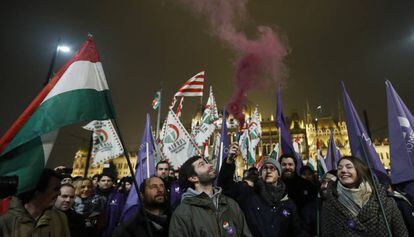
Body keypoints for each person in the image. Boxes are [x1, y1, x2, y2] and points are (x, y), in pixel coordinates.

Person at [218, 143, 307, 237]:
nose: (268, 171)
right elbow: (225, 186)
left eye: (272, 168)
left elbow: (297, 231)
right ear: (261, 174)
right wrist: (229, 161)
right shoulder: (249, 195)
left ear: (279, 174)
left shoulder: (288, 203)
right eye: (265, 168)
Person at [321, 156, 408, 236]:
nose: (343, 170)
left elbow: (401, 233)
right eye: (339, 168)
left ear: (359, 171)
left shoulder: (384, 200)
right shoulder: (330, 203)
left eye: (349, 167)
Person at [169, 155, 252, 237]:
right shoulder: (182, 214)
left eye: (207, 163)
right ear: (193, 178)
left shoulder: (231, 204)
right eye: (202, 164)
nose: (210, 165)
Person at [0, 168, 70, 237]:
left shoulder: (60, 219)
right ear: (37, 192)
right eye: (55, 189)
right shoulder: (5, 219)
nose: (59, 193)